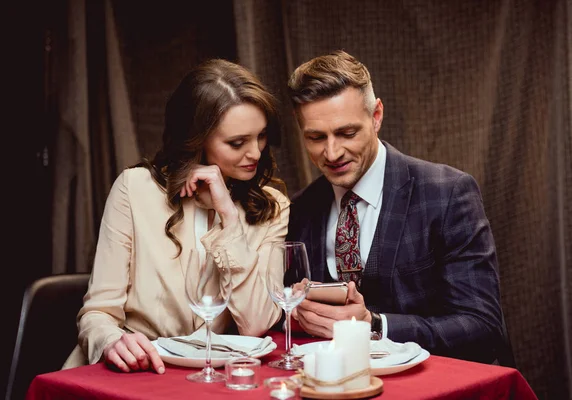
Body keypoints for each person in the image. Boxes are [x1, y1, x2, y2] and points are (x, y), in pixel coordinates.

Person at [63, 59, 289, 373]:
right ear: (196, 140)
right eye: (237, 143)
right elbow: (96, 314)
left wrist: (229, 216)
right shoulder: (135, 189)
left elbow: (256, 324)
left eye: (261, 136)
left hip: (211, 376)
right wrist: (112, 340)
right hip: (134, 369)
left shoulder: (272, 206)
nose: (255, 153)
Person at [286, 50, 504, 363]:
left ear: (376, 116)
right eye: (316, 137)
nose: (332, 153)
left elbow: (483, 327)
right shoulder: (301, 208)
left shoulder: (448, 193)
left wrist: (375, 326)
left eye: (347, 133)